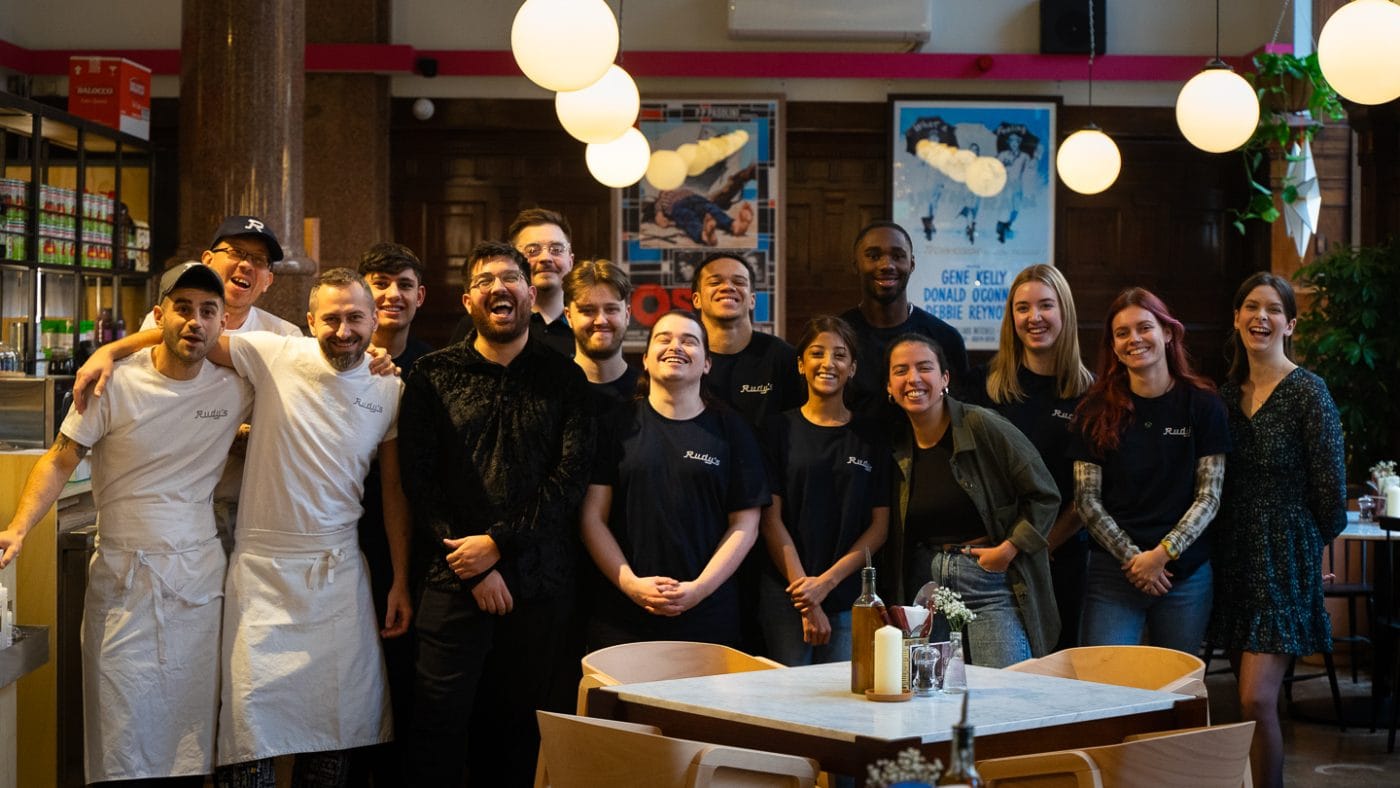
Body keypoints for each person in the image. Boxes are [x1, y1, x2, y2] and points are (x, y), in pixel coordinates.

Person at [76, 267, 413, 785]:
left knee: (333, 738)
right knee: (248, 731)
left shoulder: (389, 387)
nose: (343, 330)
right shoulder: (276, 354)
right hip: (262, 577)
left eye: (354, 318)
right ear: (309, 322)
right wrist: (110, 351)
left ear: (373, 322)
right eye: (331, 319)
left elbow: (393, 492)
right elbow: (193, 335)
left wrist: (401, 580)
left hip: (339, 574)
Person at [1, 263, 250, 786]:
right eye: (183, 308)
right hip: (123, 582)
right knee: (120, 739)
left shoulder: (235, 388)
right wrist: (19, 527)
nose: (195, 321)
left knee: (188, 745)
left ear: (223, 323)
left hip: (196, 583)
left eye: (208, 311)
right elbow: (60, 459)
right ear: (158, 316)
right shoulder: (113, 382)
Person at [398, 241, 595, 787]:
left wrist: (499, 544)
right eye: (484, 281)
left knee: (518, 731)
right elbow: (419, 480)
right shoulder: (432, 375)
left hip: (539, 583)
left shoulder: (565, 378)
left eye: (509, 278)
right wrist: (476, 563)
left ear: (531, 294)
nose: (497, 288)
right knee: (435, 727)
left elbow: (569, 479)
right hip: (452, 577)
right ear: (468, 301)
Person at [1207, 272, 1346, 788]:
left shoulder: (1309, 392)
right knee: (1243, 705)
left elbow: (1332, 495)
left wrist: (1306, 554)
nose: (1260, 316)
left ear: (1290, 324)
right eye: (1250, 306)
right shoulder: (1223, 397)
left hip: (1283, 564)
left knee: (1255, 699)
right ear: (1236, 318)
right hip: (1232, 559)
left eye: (1272, 309)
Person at [580, 310, 770, 649]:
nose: (675, 347)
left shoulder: (733, 430)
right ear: (646, 359)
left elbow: (746, 524)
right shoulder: (616, 426)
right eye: (664, 339)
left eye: (689, 341)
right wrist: (630, 583)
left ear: (707, 363)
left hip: (708, 614)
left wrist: (699, 589)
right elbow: (593, 517)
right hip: (622, 616)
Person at [882, 333, 1060, 667]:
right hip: (928, 588)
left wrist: (1009, 549)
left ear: (945, 378)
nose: (913, 378)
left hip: (989, 583)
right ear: (889, 386)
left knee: (1004, 689)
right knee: (931, 693)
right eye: (901, 370)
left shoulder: (981, 425)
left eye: (925, 368)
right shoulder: (897, 445)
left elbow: (1045, 494)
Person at [1070, 287, 1228, 655]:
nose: (1134, 339)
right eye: (1122, 333)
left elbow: (1209, 495)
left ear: (1168, 332)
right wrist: (1133, 558)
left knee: (1177, 682)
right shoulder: (1094, 409)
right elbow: (1086, 500)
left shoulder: (1204, 404)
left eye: (1145, 327)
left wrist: (1161, 555)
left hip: (1184, 575)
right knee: (1102, 679)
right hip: (1113, 573)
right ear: (1113, 346)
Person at [962, 264, 1094, 651]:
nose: (1034, 317)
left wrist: (1036, 548)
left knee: (1056, 667)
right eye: (1023, 308)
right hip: (992, 559)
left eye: (1046, 305)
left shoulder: (1091, 395)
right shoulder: (981, 386)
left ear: (1064, 312)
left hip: (1058, 556)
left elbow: (1086, 495)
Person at [757, 315, 890, 666]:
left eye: (840, 355)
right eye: (817, 353)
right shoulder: (776, 429)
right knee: (787, 693)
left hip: (848, 594)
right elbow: (770, 519)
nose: (828, 363)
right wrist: (807, 596)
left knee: (840, 693)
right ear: (801, 365)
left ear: (853, 368)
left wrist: (827, 584)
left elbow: (879, 528)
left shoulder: (871, 436)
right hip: (787, 591)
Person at [351, 241, 433, 786]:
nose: (392, 295)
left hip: (410, 541)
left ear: (420, 296)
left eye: (404, 284)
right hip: (343, 538)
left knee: (405, 672)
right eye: (379, 284)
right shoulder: (331, 357)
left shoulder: (434, 365)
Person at [840, 221, 969, 418]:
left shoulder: (945, 338)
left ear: (912, 264)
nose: (886, 265)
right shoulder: (838, 336)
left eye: (898, 256)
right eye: (873, 256)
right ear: (856, 265)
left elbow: (960, 415)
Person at [691, 252, 804, 431]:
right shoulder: (686, 359)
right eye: (715, 282)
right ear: (696, 299)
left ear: (752, 300)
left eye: (739, 282)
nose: (727, 287)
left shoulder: (784, 358)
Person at [138, 215, 303, 337]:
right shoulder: (165, 320)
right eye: (236, 252)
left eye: (259, 259)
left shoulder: (285, 335)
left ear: (268, 281)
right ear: (208, 261)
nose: (246, 265)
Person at [448, 208, 576, 356]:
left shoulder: (588, 322)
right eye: (532, 250)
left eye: (556, 249)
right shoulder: (478, 323)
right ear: (513, 260)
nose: (545, 258)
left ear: (570, 260)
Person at [563, 258, 640, 411]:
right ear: (569, 316)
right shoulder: (548, 392)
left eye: (611, 309)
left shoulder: (650, 392)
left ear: (627, 315)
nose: (600, 321)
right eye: (588, 311)